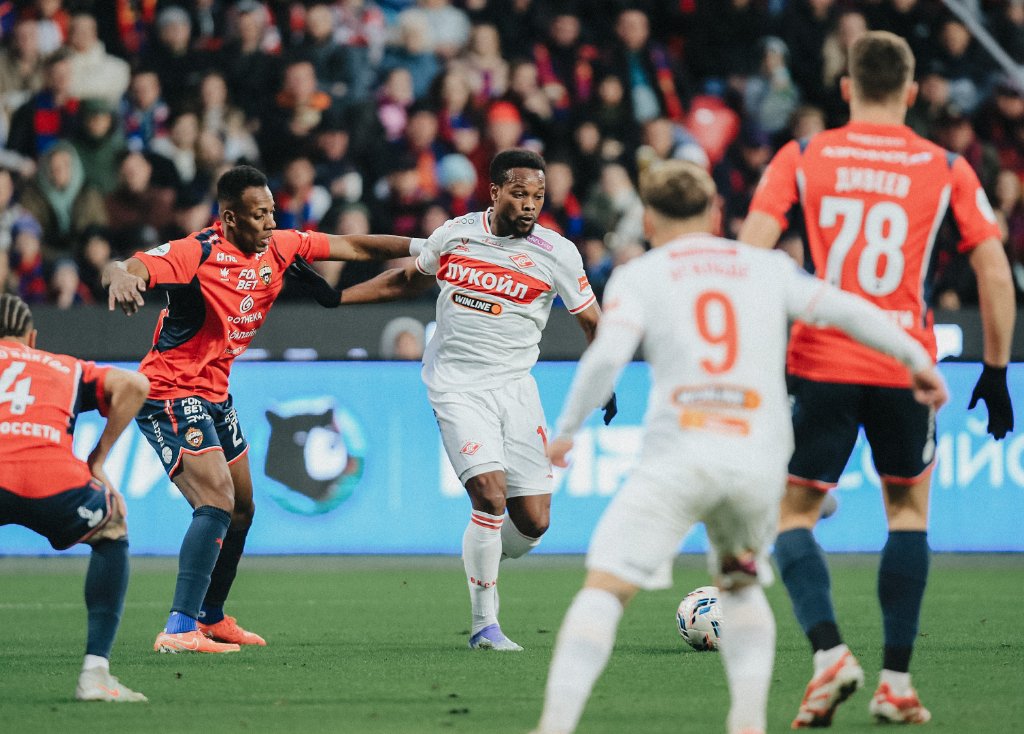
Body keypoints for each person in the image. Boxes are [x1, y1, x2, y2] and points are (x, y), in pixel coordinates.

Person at [531, 160, 948, 734]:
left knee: (605, 589)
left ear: (648, 220)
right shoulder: (766, 267)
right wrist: (917, 359)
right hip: (755, 465)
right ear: (717, 213)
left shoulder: (641, 275)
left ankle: (554, 726)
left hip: (679, 457)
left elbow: (607, 356)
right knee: (742, 584)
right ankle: (747, 723)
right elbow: (847, 310)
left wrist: (567, 430)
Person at [738, 31, 1016, 727]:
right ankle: (896, 683)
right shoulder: (945, 166)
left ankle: (830, 656)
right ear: (913, 91)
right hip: (905, 364)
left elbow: (749, 257)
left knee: (793, 516)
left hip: (821, 360)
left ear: (846, 88)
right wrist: (995, 368)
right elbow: (992, 267)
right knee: (909, 515)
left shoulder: (804, 155)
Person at [103, 165, 416, 654]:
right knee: (216, 500)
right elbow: (126, 265)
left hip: (214, 392)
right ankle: (179, 629)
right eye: (259, 214)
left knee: (242, 508)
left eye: (272, 211)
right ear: (230, 218)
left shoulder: (280, 247)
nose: (270, 222)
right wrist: (120, 277)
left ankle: (210, 616)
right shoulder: (196, 252)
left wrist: (423, 246)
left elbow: (353, 246)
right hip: (168, 390)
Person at [314, 149, 617, 650]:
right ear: (495, 192)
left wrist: (604, 378)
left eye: (538, 196)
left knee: (534, 523)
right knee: (489, 496)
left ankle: (484, 553)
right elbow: (406, 279)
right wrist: (339, 297)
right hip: (455, 384)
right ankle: (484, 626)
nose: (530, 204)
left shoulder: (557, 252)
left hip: (516, 388)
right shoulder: (456, 234)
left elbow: (591, 320)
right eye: (519, 193)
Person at [0, 293, 151, 701]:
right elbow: (136, 384)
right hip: (53, 481)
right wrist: (97, 460)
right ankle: (95, 675)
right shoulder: (65, 367)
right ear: (32, 338)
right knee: (111, 529)